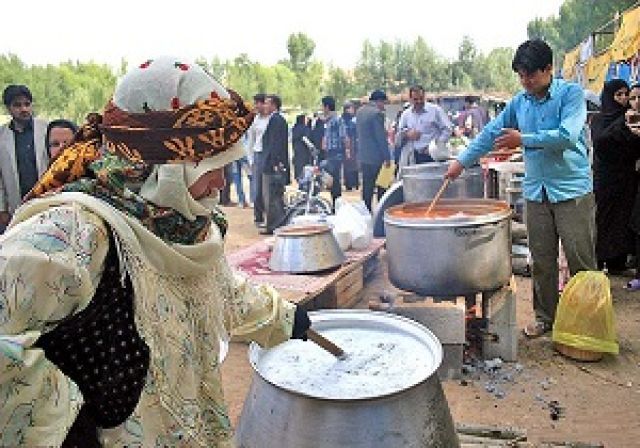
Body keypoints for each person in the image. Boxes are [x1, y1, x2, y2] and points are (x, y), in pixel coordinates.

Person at [0, 57, 311, 447]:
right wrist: (67, 422)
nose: (220, 181)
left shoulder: (181, 222)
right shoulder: (74, 232)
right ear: (160, 162)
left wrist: (282, 318)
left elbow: (215, 289)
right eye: (210, 165)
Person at [446, 39, 596, 338]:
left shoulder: (571, 95)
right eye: (521, 75)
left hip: (572, 191)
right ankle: (546, 318)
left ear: (548, 69)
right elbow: (491, 133)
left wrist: (523, 139)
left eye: (531, 74)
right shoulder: (519, 102)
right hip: (536, 191)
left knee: (581, 262)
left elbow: (567, 136)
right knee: (541, 260)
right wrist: (462, 162)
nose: (525, 81)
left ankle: (588, 324)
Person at [591, 79, 638, 273]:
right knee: (604, 219)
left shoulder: (632, 118)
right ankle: (600, 259)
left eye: (626, 94)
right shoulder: (600, 120)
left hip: (627, 178)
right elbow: (601, 142)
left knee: (622, 219)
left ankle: (617, 261)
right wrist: (622, 123)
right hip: (606, 179)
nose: (624, 99)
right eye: (619, 95)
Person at [0, 85, 49, 232]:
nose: (24, 109)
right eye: (17, 105)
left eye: (27, 104)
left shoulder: (46, 129)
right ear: (8, 108)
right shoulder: (2, 136)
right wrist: (2, 209)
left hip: (47, 201)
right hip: (16, 206)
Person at [397, 85, 452, 168]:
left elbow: (447, 129)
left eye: (421, 98)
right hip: (415, 157)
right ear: (410, 99)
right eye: (415, 99)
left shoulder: (435, 110)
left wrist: (436, 145)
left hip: (434, 156)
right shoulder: (406, 114)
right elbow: (399, 133)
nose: (419, 101)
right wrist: (407, 134)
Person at [356, 89, 391, 212]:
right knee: (382, 187)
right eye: (383, 103)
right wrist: (387, 157)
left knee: (367, 187)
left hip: (364, 156)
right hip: (377, 158)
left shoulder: (360, 112)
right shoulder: (377, 114)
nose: (384, 106)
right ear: (379, 101)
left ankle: (366, 212)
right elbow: (380, 137)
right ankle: (381, 212)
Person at [260, 94, 289, 234]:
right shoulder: (275, 120)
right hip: (273, 162)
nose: (264, 106)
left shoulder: (276, 120)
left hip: (273, 164)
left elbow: (275, 144)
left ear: (273, 105)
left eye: (267, 103)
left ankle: (274, 225)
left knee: (272, 197)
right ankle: (275, 224)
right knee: (273, 196)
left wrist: (275, 162)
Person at [245, 93, 270, 226]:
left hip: (268, 156)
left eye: (257, 103)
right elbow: (250, 141)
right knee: (257, 189)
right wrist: (251, 160)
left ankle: (268, 216)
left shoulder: (271, 119)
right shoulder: (255, 120)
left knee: (267, 189)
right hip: (258, 154)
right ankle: (258, 217)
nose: (256, 106)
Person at [321, 96, 348, 206]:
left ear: (327, 107)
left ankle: (337, 204)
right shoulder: (328, 120)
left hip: (336, 153)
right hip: (330, 153)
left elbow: (343, 136)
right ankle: (334, 203)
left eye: (323, 106)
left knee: (335, 181)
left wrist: (346, 150)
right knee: (331, 181)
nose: (322, 108)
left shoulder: (337, 120)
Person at [342, 102, 359, 190]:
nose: (353, 110)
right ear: (347, 109)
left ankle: (349, 184)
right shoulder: (350, 122)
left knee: (348, 165)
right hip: (351, 144)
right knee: (352, 164)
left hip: (346, 145)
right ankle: (354, 183)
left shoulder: (343, 120)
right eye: (351, 108)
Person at [291, 114, 311, 180]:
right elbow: (307, 138)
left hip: (296, 148)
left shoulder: (294, 128)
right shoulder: (304, 128)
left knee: (297, 163)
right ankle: (303, 178)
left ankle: (297, 177)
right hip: (304, 149)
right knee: (303, 163)